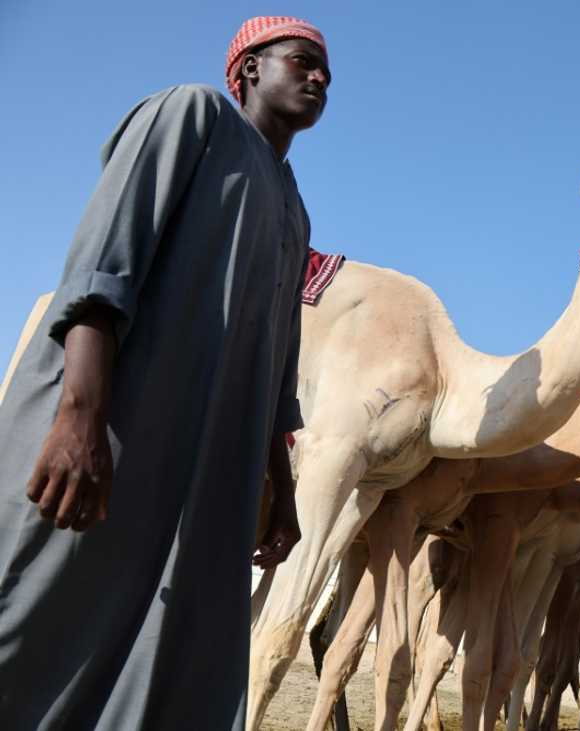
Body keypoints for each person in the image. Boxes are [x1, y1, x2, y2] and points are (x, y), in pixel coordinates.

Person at [0, 17, 330, 729]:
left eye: (326, 71)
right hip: (110, 435)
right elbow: (102, 264)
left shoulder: (296, 211)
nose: (319, 78)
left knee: (174, 659)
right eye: (302, 61)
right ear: (246, 70)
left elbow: (278, 369)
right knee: (36, 616)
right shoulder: (195, 115)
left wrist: (281, 483)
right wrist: (80, 419)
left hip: (208, 475)